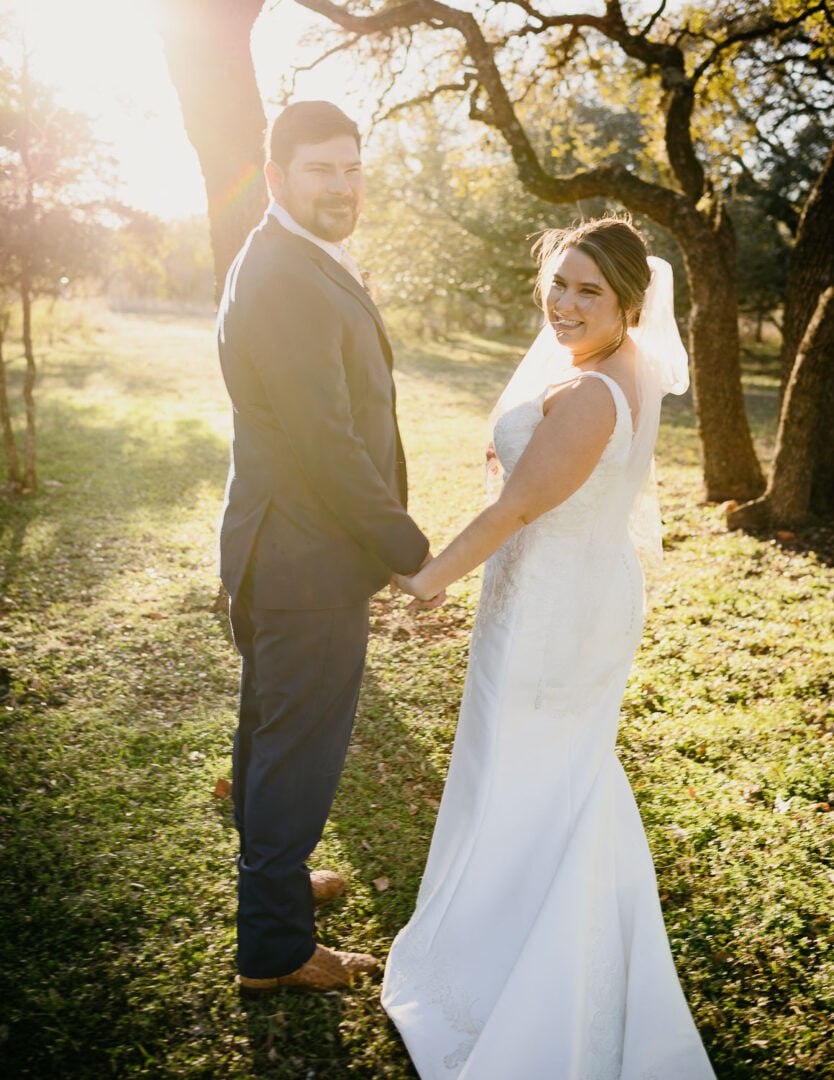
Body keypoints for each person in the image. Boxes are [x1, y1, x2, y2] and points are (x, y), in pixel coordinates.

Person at [382, 217, 716, 1077]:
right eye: (558, 284)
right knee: (551, 775)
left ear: (629, 304)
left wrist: (428, 579)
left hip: (551, 615)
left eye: (588, 292)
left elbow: (516, 510)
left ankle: (523, 979)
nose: (564, 304)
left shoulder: (596, 394)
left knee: (530, 775)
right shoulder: (600, 372)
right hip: (561, 594)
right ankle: (527, 941)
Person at [217, 100, 437, 994]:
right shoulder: (282, 276)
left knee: (272, 734)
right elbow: (325, 439)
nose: (342, 185)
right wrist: (408, 547)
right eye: (320, 169)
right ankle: (274, 946)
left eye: (351, 167)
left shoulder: (294, 257)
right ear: (277, 178)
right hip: (306, 558)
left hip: (283, 548)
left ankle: (274, 882)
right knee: (296, 754)